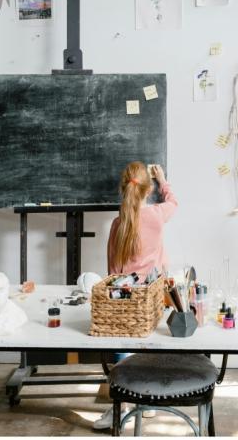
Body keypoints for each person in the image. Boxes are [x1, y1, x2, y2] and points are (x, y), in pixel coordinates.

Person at [93, 161, 177, 430]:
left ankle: (122, 403)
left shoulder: (118, 223)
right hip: (152, 296)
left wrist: (116, 298)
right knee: (148, 343)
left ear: (123, 188)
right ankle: (144, 399)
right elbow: (174, 202)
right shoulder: (156, 215)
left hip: (124, 296)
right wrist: (163, 180)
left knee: (122, 346)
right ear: (147, 188)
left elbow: (112, 269)